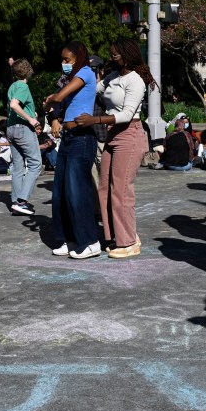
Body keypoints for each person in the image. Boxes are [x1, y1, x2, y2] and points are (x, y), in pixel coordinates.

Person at [73, 38, 153, 259]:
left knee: (122, 189)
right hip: (113, 135)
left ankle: (129, 242)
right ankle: (114, 236)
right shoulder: (112, 77)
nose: (111, 58)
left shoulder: (135, 81)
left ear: (127, 55)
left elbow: (127, 114)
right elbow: (93, 89)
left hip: (130, 134)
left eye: (115, 55)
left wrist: (94, 120)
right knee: (104, 188)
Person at [43, 40, 100, 259]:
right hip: (68, 138)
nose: (63, 63)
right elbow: (56, 106)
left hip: (82, 138)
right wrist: (54, 112)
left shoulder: (85, 73)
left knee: (78, 192)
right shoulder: (70, 78)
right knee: (61, 192)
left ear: (78, 57)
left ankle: (90, 240)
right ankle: (70, 238)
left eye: (67, 59)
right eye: (62, 59)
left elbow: (58, 97)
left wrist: (51, 100)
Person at [5, 59, 42, 215]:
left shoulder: (13, 86)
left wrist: (30, 112)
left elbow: (14, 107)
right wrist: (31, 119)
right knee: (35, 164)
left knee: (18, 167)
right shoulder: (23, 86)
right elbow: (14, 104)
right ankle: (22, 201)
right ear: (29, 71)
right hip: (23, 129)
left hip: (11, 128)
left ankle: (16, 202)